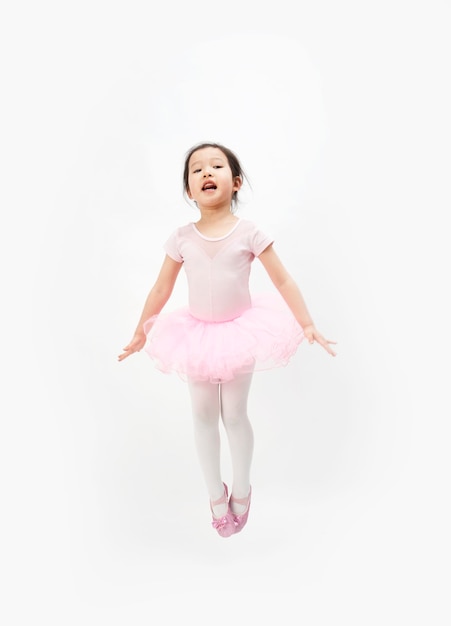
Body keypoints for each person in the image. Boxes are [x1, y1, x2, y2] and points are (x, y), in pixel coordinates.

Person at [118, 142, 336, 538]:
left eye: (216, 166)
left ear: (235, 183)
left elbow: (282, 279)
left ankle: (241, 488)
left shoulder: (250, 233)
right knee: (202, 416)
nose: (205, 173)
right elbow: (161, 287)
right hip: (196, 336)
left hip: (238, 333)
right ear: (188, 190)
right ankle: (213, 495)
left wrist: (307, 323)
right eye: (196, 169)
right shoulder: (181, 237)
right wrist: (139, 331)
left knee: (233, 415)